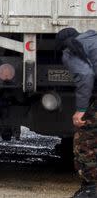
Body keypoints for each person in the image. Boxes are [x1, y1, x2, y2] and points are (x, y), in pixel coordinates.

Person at [56, 28, 97, 198]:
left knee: (86, 139)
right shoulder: (92, 38)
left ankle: (92, 188)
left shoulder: (71, 50)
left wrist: (80, 111)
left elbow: (86, 76)